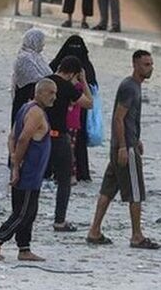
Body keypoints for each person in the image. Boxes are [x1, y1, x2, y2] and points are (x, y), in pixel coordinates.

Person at [85, 50, 160, 249]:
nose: (150, 68)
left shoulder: (134, 86)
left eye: (151, 64)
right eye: (146, 64)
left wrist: (136, 139)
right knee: (135, 192)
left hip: (123, 145)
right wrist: (124, 146)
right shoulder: (129, 87)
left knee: (108, 189)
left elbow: (129, 119)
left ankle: (94, 231)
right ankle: (137, 236)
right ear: (135, 65)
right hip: (124, 149)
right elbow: (119, 118)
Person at [0, 78, 57, 262]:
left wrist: (13, 158)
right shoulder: (36, 113)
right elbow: (22, 139)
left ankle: (24, 248)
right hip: (28, 171)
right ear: (39, 92)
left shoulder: (25, 108)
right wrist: (17, 166)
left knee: (28, 211)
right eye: (51, 93)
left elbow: (11, 137)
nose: (54, 97)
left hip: (30, 170)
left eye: (55, 93)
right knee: (23, 212)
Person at [45, 56, 93, 232]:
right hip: (59, 136)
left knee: (35, 177)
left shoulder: (45, 82)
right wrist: (84, 81)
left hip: (40, 134)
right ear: (73, 73)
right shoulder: (67, 87)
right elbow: (89, 103)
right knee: (64, 180)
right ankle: (59, 220)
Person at [49, 35, 98, 181]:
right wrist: (83, 81)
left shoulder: (49, 78)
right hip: (72, 121)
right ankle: (68, 175)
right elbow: (90, 101)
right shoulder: (71, 85)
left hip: (61, 121)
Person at [12, 28, 50, 125]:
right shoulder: (24, 58)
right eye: (41, 41)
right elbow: (34, 78)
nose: (43, 44)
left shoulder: (38, 57)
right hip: (26, 99)